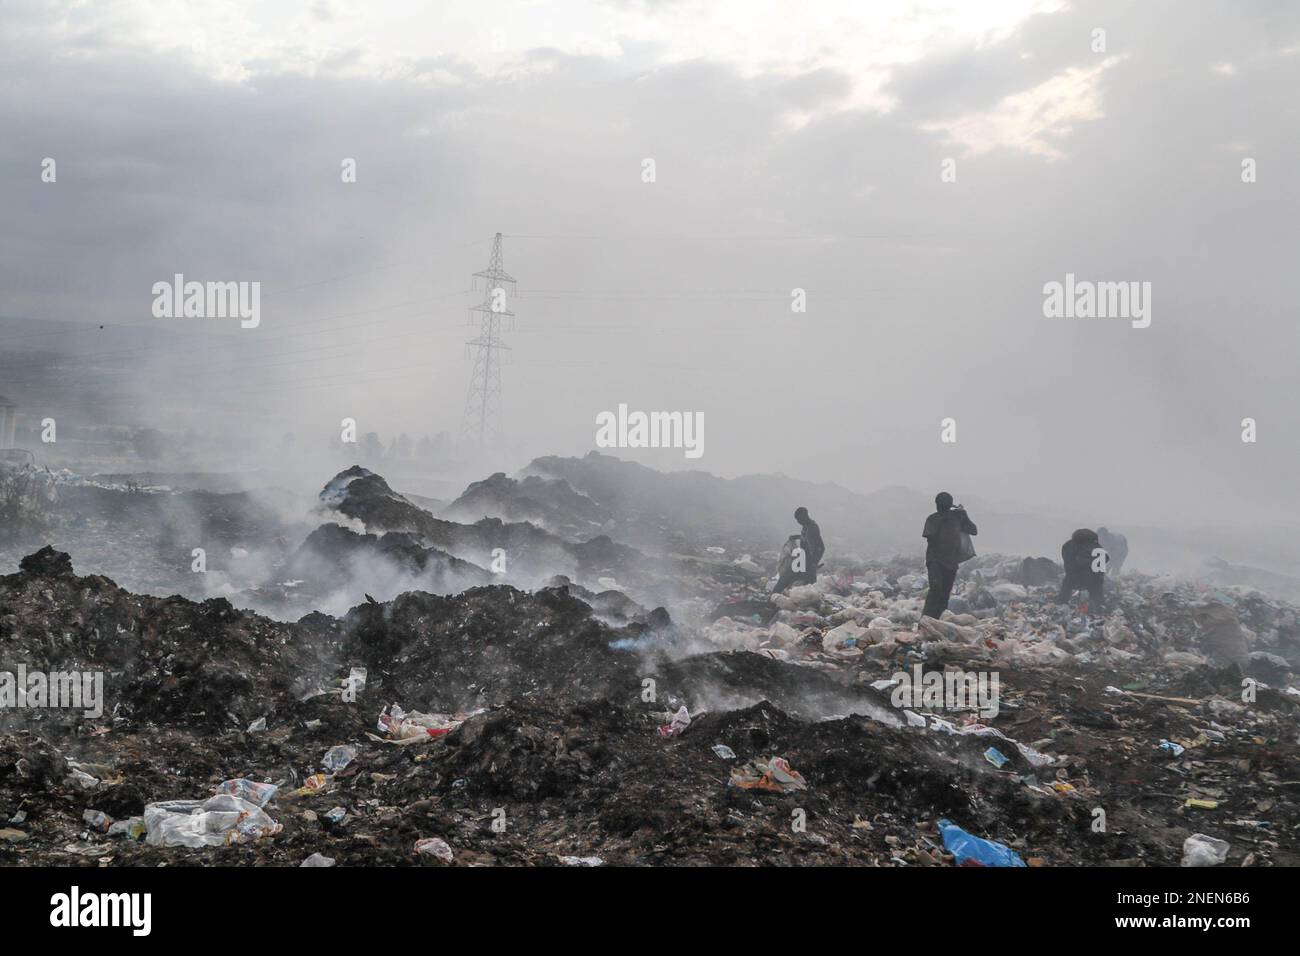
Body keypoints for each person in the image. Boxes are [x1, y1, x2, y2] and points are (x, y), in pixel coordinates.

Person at [921, 492, 977, 619]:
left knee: (945, 594)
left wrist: (964, 515)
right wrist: (946, 518)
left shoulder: (957, 518)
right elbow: (931, 536)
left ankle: (939, 621)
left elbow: (973, 530)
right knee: (935, 590)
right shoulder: (933, 519)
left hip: (951, 562)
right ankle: (926, 620)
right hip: (935, 560)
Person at [773, 507, 825, 593]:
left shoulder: (813, 527)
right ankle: (773, 598)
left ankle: (773, 598)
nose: (798, 522)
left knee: (808, 587)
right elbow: (807, 538)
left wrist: (814, 563)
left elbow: (821, 547)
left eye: (799, 519)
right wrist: (796, 537)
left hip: (808, 562)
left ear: (805, 516)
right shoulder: (806, 526)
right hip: (802, 559)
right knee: (807, 587)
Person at [1058, 528, 1106, 614]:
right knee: (1097, 590)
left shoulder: (1067, 545)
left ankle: (1061, 603)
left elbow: (1067, 564)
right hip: (1091, 579)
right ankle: (1099, 607)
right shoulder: (1097, 547)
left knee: (1067, 585)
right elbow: (1101, 570)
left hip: (1073, 577)